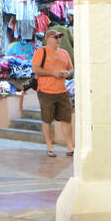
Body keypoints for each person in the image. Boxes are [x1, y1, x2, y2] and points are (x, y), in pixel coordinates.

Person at [32, 28, 74, 157]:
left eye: (59, 37)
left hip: (62, 91)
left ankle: (70, 148)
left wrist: (67, 73)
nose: (58, 40)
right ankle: (50, 148)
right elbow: (36, 69)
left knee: (66, 119)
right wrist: (52, 73)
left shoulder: (64, 53)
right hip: (46, 91)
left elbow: (72, 70)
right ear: (47, 39)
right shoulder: (41, 52)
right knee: (47, 120)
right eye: (55, 37)